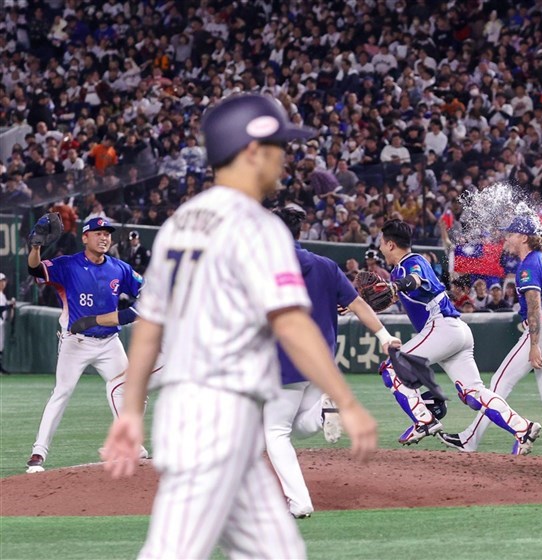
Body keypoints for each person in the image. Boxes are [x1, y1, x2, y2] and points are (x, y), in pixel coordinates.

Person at [101, 94, 377, 559]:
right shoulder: (260, 229)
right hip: (215, 421)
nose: (284, 160)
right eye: (278, 147)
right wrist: (345, 400)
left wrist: (131, 411)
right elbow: (291, 325)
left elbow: (149, 326)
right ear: (251, 151)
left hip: (217, 418)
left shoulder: (181, 224)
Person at [264, 206, 401, 519]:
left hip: (284, 360)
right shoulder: (326, 265)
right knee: (297, 427)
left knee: (274, 431)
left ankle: (299, 502)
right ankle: (325, 411)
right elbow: (359, 305)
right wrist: (383, 337)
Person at [439, 216, 542, 456]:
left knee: (499, 382)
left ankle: (471, 438)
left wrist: (534, 345)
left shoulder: (529, 264)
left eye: (510, 234)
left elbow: (534, 308)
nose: (506, 239)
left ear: (523, 237)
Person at [377, 219, 541, 453]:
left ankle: (424, 419)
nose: (381, 248)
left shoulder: (413, 262)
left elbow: (414, 280)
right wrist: (352, 304)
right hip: (454, 331)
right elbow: (391, 295)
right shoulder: (399, 272)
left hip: (442, 327)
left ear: (391, 244)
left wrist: (396, 286)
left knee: (391, 368)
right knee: (473, 393)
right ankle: (522, 427)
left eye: (382, 243)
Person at [25, 217, 145, 473]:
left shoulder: (119, 268)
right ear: (85, 238)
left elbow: (144, 289)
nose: (104, 238)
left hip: (110, 342)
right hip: (75, 343)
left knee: (130, 390)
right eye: (98, 233)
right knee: (61, 393)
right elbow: (35, 270)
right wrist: (35, 247)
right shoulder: (68, 265)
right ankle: (38, 452)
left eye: (107, 234)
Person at [0, 273, 15, 373]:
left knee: (1, 345)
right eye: (1, 281)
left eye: (4, 281)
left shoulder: (2, 295)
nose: (3, 283)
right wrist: (10, 305)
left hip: (1, 322)